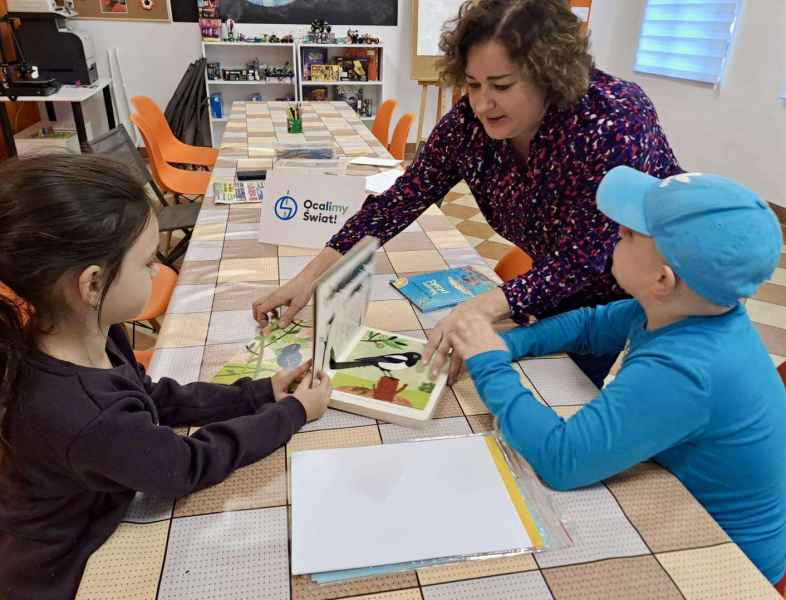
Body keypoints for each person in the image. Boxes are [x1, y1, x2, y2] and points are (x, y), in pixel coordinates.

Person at [252, 0, 682, 388]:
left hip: (648, 287)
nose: (482, 103)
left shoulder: (612, 121)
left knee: (578, 396)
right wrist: (310, 277)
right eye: (473, 85)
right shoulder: (468, 127)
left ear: (549, 75)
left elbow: (588, 260)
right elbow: (402, 199)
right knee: (520, 384)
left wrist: (485, 308)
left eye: (501, 85)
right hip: (555, 279)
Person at [0, 155, 331, 600]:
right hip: (56, 571)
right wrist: (292, 413)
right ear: (92, 285)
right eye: (148, 261)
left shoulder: (93, 332)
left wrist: (261, 391)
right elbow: (186, 466)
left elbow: (155, 398)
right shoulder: (87, 414)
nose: (158, 270)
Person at [449, 167, 786, 586]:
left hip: (726, 565)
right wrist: (508, 345)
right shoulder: (686, 308)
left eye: (627, 235)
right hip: (684, 505)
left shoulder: (684, 369)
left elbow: (562, 461)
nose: (613, 235)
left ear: (663, 279)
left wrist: (488, 362)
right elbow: (590, 325)